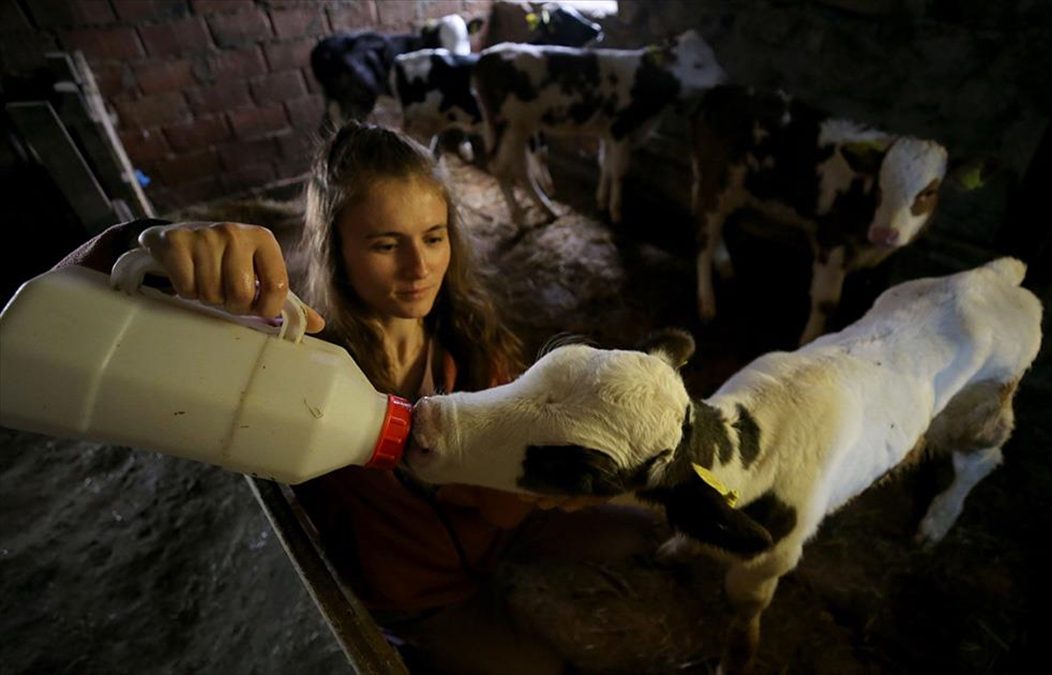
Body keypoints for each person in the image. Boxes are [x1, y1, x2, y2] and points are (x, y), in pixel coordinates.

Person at [59, 122, 655, 674]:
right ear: (336, 248)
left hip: (505, 535)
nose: (419, 268)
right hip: (421, 599)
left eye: (434, 237)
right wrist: (138, 242)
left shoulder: (472, 344)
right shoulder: (299, 356)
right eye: (385, 244)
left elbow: (499, 508)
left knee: (649, 537)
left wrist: (558, 473)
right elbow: (81, 321)